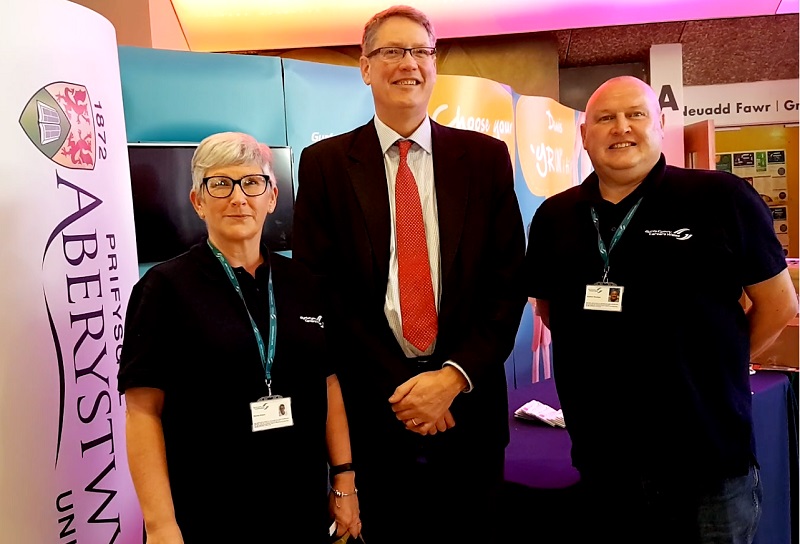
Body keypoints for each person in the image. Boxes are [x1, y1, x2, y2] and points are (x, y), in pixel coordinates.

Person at [525, 76, 798, 544]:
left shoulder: (722, 198)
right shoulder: (555, 217)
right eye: (605, 118)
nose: (621, 127)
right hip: (605, 463)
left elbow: (779, 305)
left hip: (707, 462)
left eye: (636, 114)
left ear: (661, 124)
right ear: (585, 133)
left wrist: (717, 370)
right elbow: (552, 310)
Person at [292, 5, 527, 543]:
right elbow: (322, 290)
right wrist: (406, 390)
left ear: (434, 64)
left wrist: (451, 378)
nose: (408, 64)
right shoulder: (325, 164)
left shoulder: (485, 158)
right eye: (392, 51)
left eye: (420, 51)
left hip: (469, 409)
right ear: (365, 67)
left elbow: (506, 280)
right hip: (375, 415)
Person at [118, 132, 361, 543]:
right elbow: (142, 413)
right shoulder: (163, 289)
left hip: (298, 508)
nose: (237, 198)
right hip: (207, 515)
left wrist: (344, 480)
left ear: (271, 197)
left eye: (251, 183)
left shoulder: (303, 283)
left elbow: (328, 382)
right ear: (198, 201)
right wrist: (160, 525)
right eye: (220, 184)